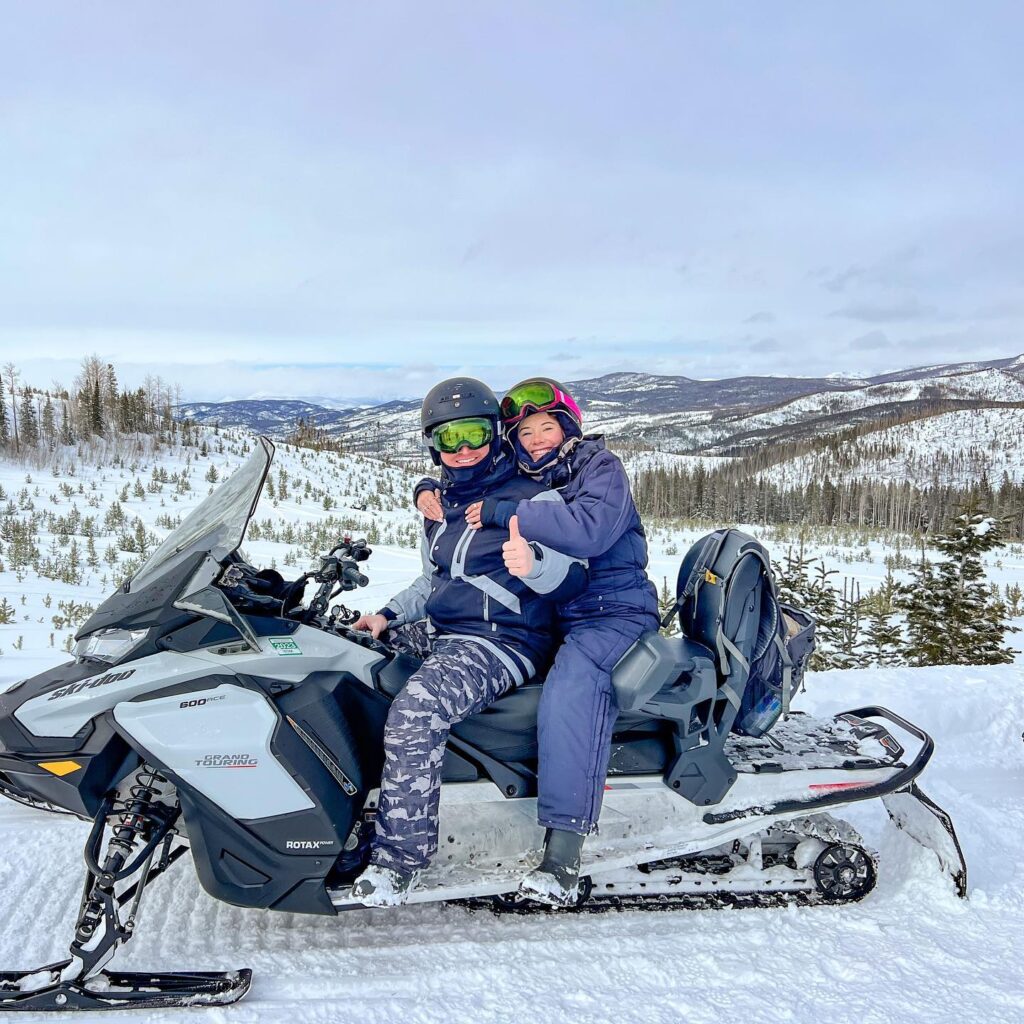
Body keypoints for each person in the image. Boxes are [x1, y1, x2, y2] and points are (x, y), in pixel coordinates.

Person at [416, 377, 658, 906]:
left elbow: (589, 530)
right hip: (558, 611)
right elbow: (471, 476)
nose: (535, 439)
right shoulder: (532, 473)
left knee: (572, 688)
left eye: (546, 427)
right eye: (524, 433)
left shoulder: (599, 467)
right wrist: (426, 489)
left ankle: (564, 851)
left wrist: (508, 514)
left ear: (569, 425)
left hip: (611, 612)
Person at [349, 377, 587, 906]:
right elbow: (437, 579)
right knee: (348, 659)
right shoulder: (439, 504)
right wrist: (387, 614)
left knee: (416, 710)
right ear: (433, 443)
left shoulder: (531, 497)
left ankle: (400, 860)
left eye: (475, 433)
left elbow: (574, 576)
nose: (464, 450)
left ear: (497, 433)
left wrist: (537, 565)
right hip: (446, 630)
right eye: (450, 438)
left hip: (503, 641)